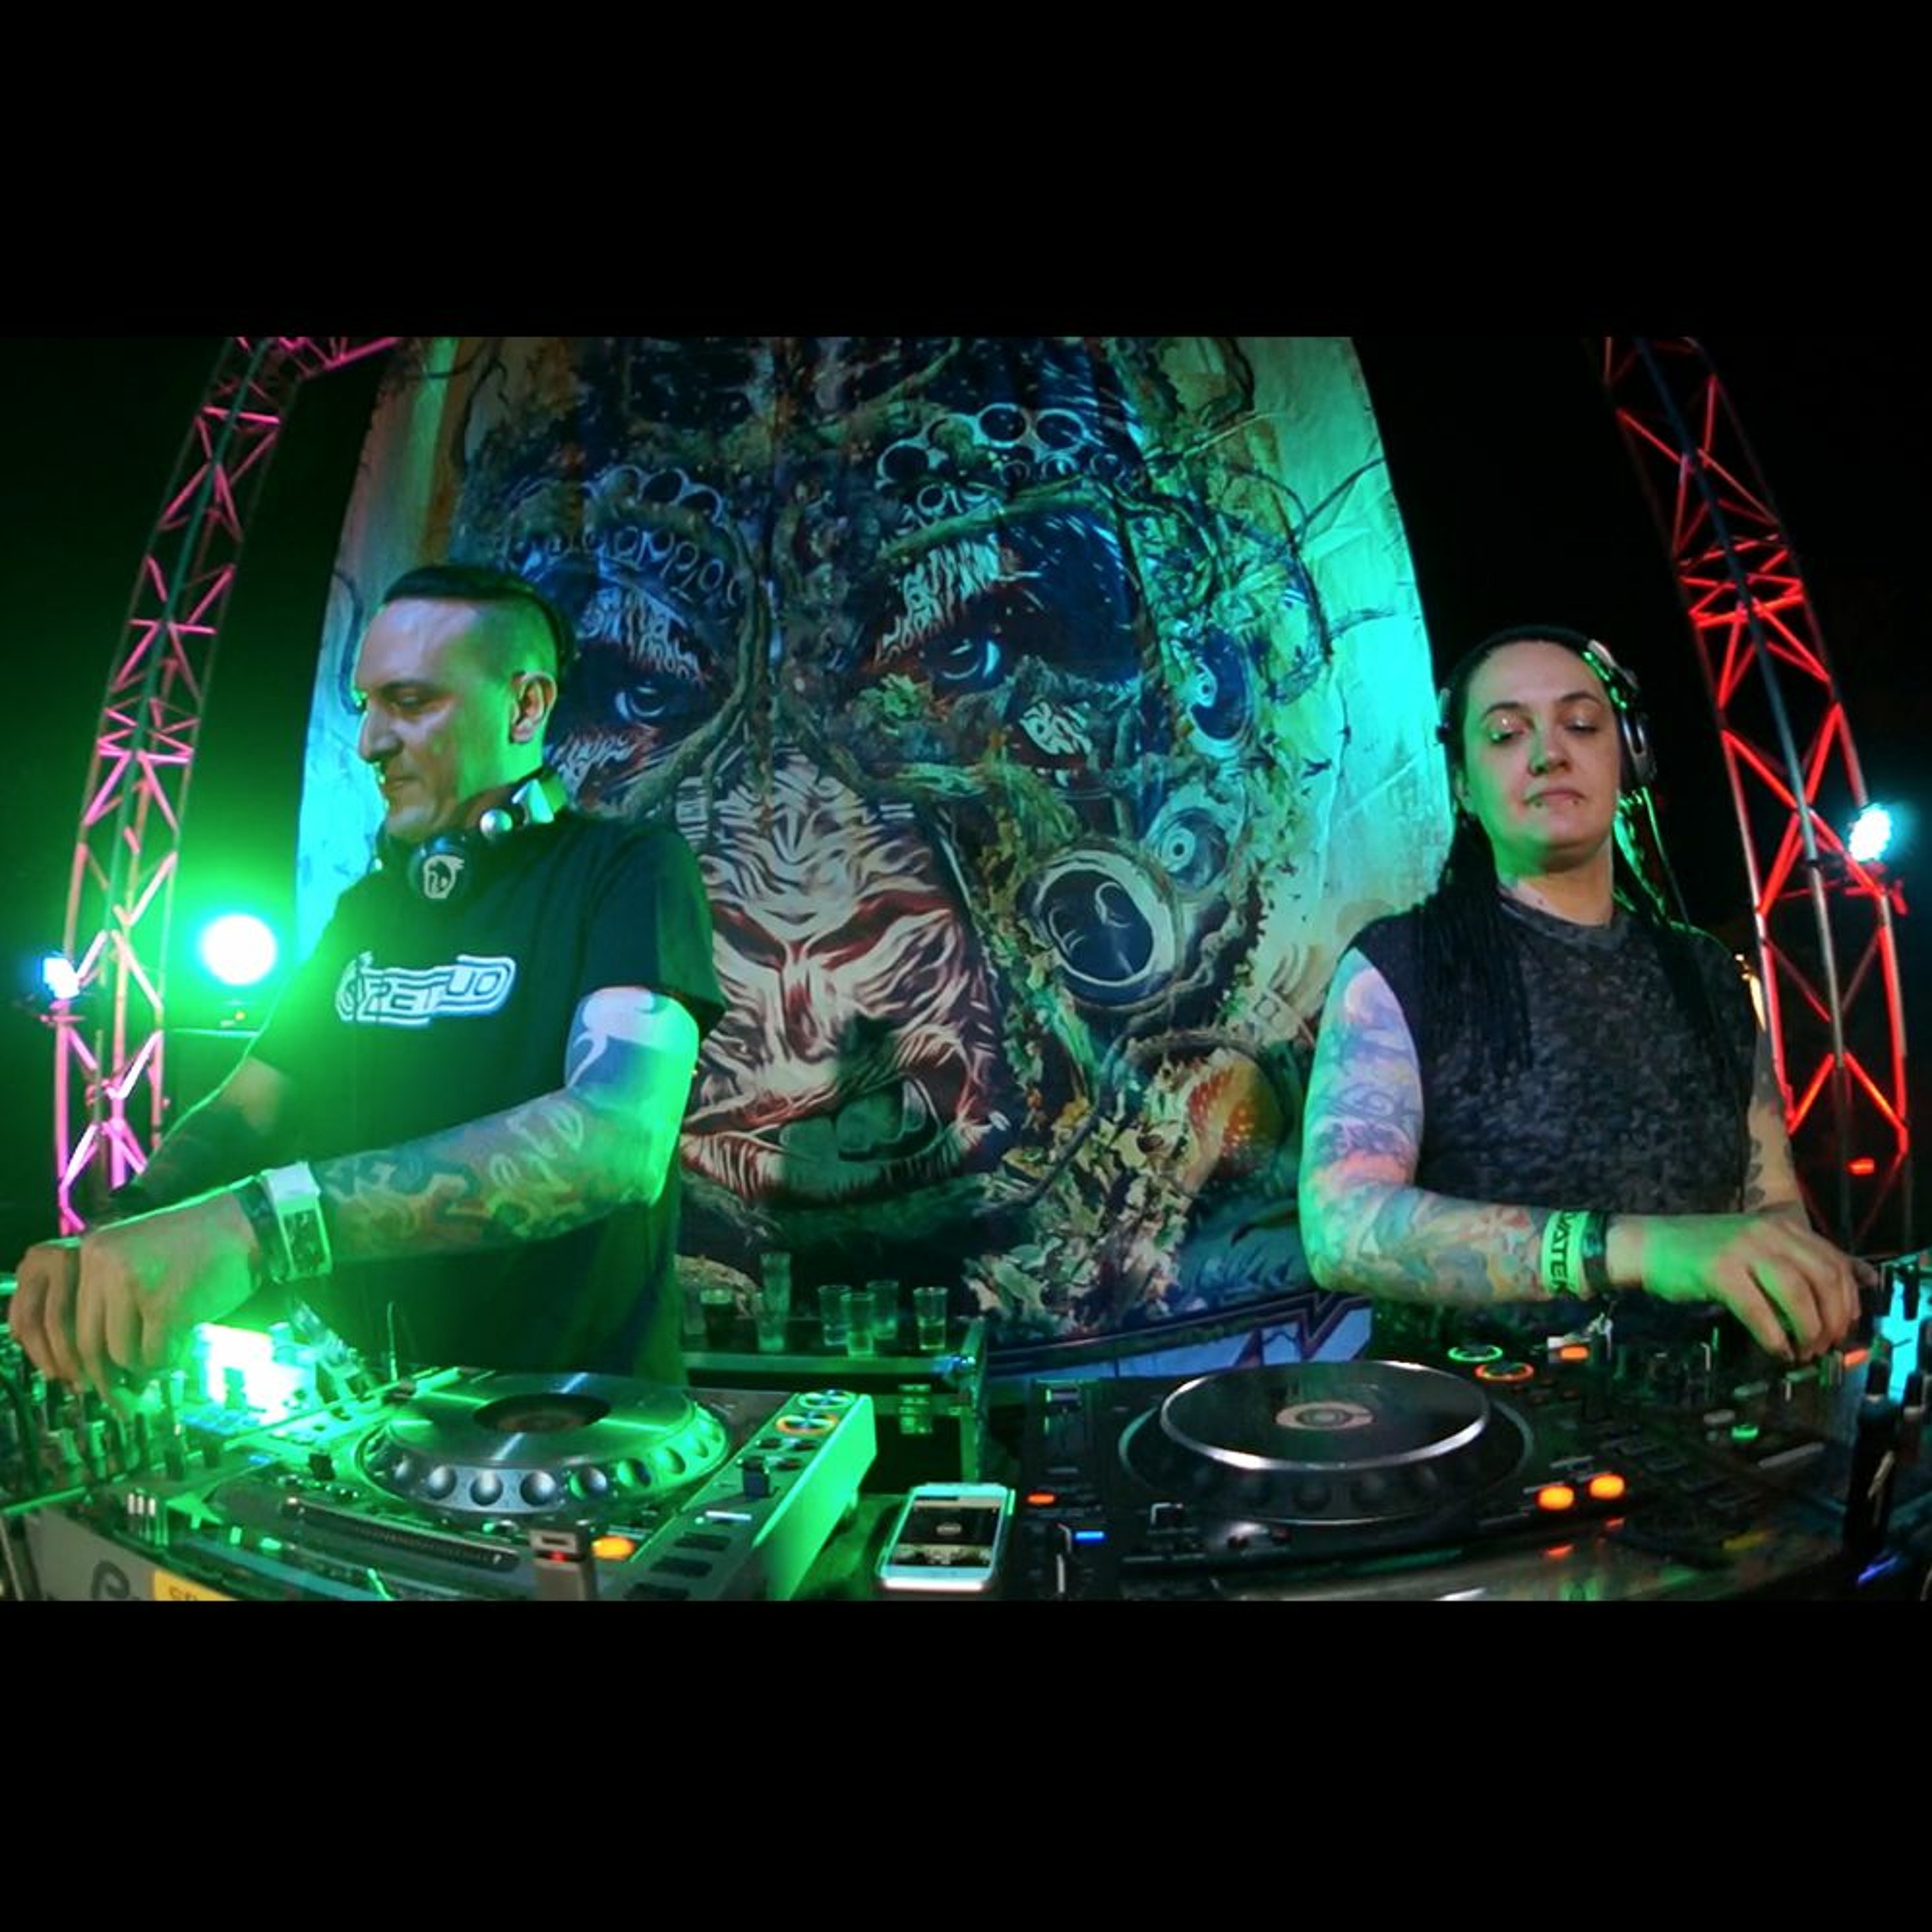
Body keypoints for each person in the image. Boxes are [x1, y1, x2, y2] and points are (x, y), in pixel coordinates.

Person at [9, 563, 724, 1397]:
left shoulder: (627, 870)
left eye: (411, 702)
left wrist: (264, 1226)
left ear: (526, 707)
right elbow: (251, 1107)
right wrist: (120, 1229)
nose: (371, 743)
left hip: (568, 1416)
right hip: (369, 1414)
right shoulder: (368, 909)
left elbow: (616, 1141)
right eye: (367, 705)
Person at [1298, 624, 1864, 1365]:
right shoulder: (1401, 963)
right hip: (1477, 1417)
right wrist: (1637, 1248)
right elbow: (1343, 1230)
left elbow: (1772, 1199)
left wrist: (1803, 1283)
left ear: (1627, 755)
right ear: (1463, 785)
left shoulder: (1706, 973)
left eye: (1582, 724)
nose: (1549, 754)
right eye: (1506, 734)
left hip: (1700, 1401)